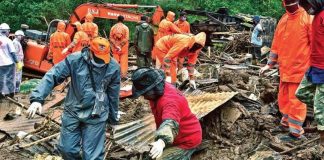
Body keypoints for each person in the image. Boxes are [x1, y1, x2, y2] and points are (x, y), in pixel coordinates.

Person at [28, 37, 120, 160]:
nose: (101, 62)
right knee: (67, 150)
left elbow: (114, 95)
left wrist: (113, 120)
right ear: (90, 52)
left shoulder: (113, 67)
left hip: (97, 113)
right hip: (73, 110)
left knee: (92, 156)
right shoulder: (75, 60)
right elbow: (53, 75)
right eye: (98, 58)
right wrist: (37, 99)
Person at [260, 0, 312, 142]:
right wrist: (269, 65)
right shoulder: (283, 19)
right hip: (284, 69)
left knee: (296, 102)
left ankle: (295, 133)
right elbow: (275, 45)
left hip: (300, 70)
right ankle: (285, 124)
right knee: (284, 99)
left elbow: (316, 44)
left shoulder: (307, 18)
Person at [131, 67, 202, 160]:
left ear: (154, 89)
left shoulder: (170, 102)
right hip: (175, 138)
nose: (144, 97)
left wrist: (162, 141)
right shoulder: (159, 90)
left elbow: (170, 122)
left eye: (145, 93)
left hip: (186, 141)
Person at [297, 0, 324, 147]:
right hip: (315, 66)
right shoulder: (317, 16)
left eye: (307, 5)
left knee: (320, 111)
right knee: (301, 93)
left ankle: (322, 146)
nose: (306, 9)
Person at [0, 23, 22, 99]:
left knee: (1, 79)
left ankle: (1, 95)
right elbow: (13, 53)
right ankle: (11, 94)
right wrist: (18, 62)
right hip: (9, 63)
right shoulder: (8, 41)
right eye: (8, 31)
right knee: (10, 79)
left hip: (0, 64)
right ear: (6, 31)